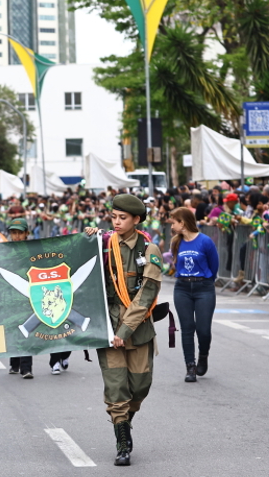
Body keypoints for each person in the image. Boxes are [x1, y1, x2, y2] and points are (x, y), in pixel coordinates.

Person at [84, 194, 162, 467]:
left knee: (140, 387)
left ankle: (125, 422)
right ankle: (122, 441)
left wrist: (126, 330)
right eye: (113, 217)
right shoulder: (103, 244)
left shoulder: (148, 250)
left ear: (136, 220)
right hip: (107, 325)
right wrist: (86, 240)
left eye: (122, 218)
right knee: (117, 389)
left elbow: (148, 292)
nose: (116, 222)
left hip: (138, 329)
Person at [169, 207, 219, 383]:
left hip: (203, 287)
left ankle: (203, 355)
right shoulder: (176, 242)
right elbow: (176, 264)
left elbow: (214, 267)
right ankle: (190, 366)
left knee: (203, 330)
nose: (172, 225)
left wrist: (204, 281)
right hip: (182, 287)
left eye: (174, 222)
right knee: (187, 328)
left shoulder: (205, 241)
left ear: (183, 223)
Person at [6, 218, 35, 379]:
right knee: (12, 327)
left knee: (25, 329)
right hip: (10, 294)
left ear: (26, 234)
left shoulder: (33, 249)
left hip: (28, 292)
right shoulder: (5, 249)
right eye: (13, 233)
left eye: (19, 233)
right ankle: (14, 363)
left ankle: (26, 367)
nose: (16, 236)